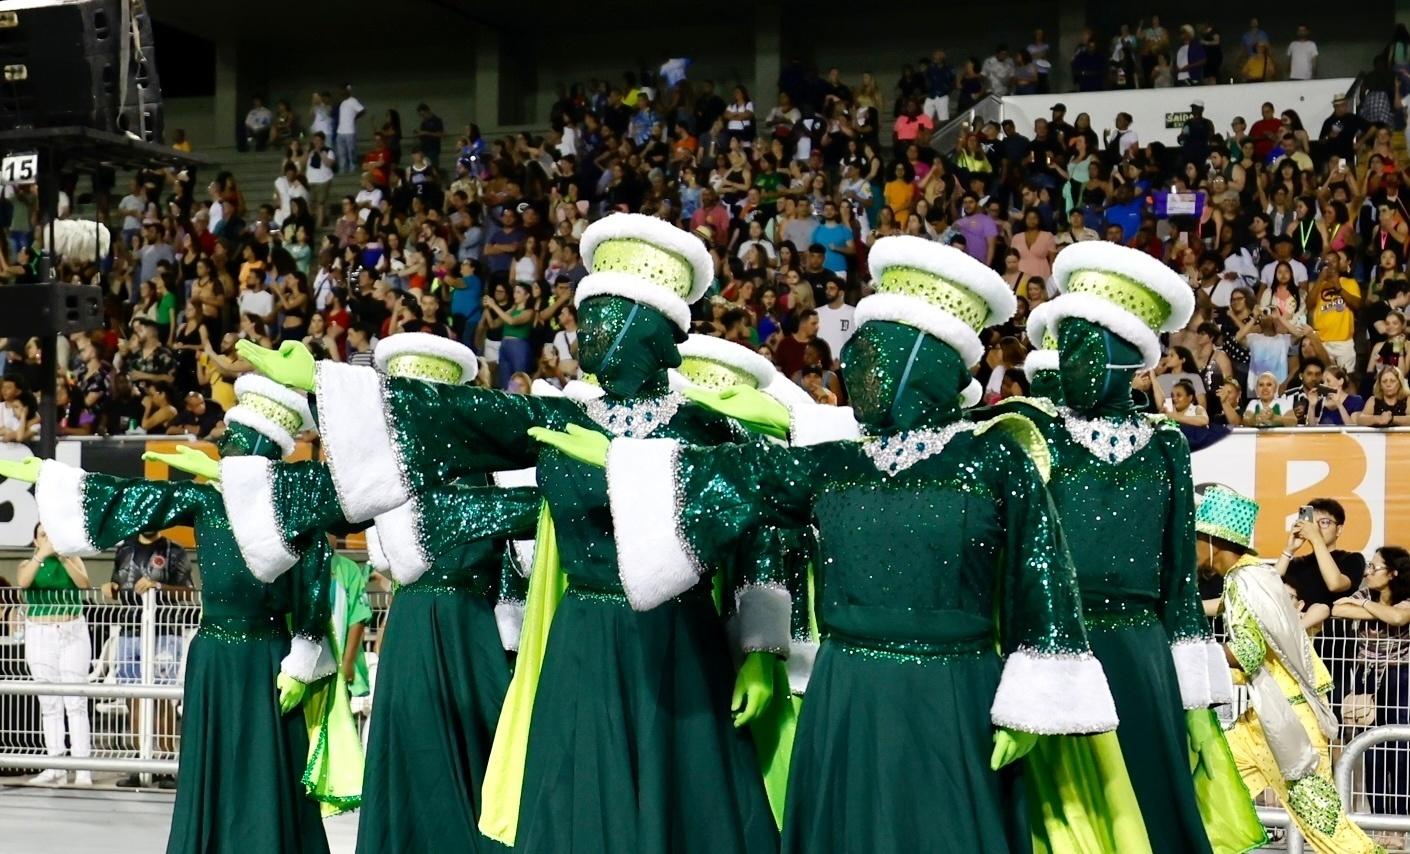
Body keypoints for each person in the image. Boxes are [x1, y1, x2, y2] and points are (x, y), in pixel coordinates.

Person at [540, 236, 1126, 854]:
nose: (854, 372)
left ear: (922, 364)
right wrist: (628, 462)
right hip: (847, 693)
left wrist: (1033, 700)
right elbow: (744, 481)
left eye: (873, 358)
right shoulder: (837, 463)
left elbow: (1041, 572)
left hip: (954, 693)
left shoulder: (993, 458)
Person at [236, 213, 780, 854]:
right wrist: (330, 381)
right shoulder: (556, 420)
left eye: (606, 317)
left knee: (682, 807)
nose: (587, 332)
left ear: (655, 331)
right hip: (581, 644)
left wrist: (761, 650)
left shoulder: (706, 428)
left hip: (678, 647)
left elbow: (760, 530)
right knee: (576, 803)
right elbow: (460, 411)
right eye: (588, 315)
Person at [4, 377, 342, 852]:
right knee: (222, 759)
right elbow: (137, 497)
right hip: (221, 654)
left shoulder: (293, 506)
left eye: (237, 441)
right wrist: (56, 480)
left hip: (269, 657)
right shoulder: (207, 501)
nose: (228, 449)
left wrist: (305, 644)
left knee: (268, 762)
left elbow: (316, 574)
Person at [1014, 242, 1259, 854]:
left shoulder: (1166, 444)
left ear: (1125, 357)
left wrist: (1196, 693)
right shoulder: (1032, 431)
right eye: (1064, 348)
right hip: (1059, 645)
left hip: (1141, 651)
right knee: (1064, 815)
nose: (1068, 363)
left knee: (1149, 797)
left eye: (1084, 350)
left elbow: (1180, 576)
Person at [1197, 486, 1379, 854]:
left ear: (1215, 541)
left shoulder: (1247, 581)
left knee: (1326, 828)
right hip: (1259, 719)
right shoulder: (1250, 577)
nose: (1192, 550)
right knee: (1206, 798)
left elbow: (1247, 654)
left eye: (1196, 539)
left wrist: (1188, 659)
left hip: (1289, 725)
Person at [1332, 546, 1410, 820]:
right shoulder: (1366, 593)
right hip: (1367, 678)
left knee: (1399, 748)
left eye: (1374, 568)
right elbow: (1338, 608)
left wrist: (1364, 607)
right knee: (1371, 747)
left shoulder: (1405, 598)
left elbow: (1399, 617)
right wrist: (1375, 609)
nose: (1367, 572)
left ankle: (1400, 819)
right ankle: (1378, 819)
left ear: (1393, 573)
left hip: (1400, 676)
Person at [18, 523, 92, 786]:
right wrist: (42, 554)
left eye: (52, 534)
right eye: (43, 535)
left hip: (72, 631)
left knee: (76, 701)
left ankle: (83, 769)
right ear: (35, 540)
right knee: (49, 702)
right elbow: (22, 582)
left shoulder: (71, 559)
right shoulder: (28, 563)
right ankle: (55, 766)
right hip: (40, 634)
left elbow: (84, 584)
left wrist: (63, 555)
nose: (49, 539)